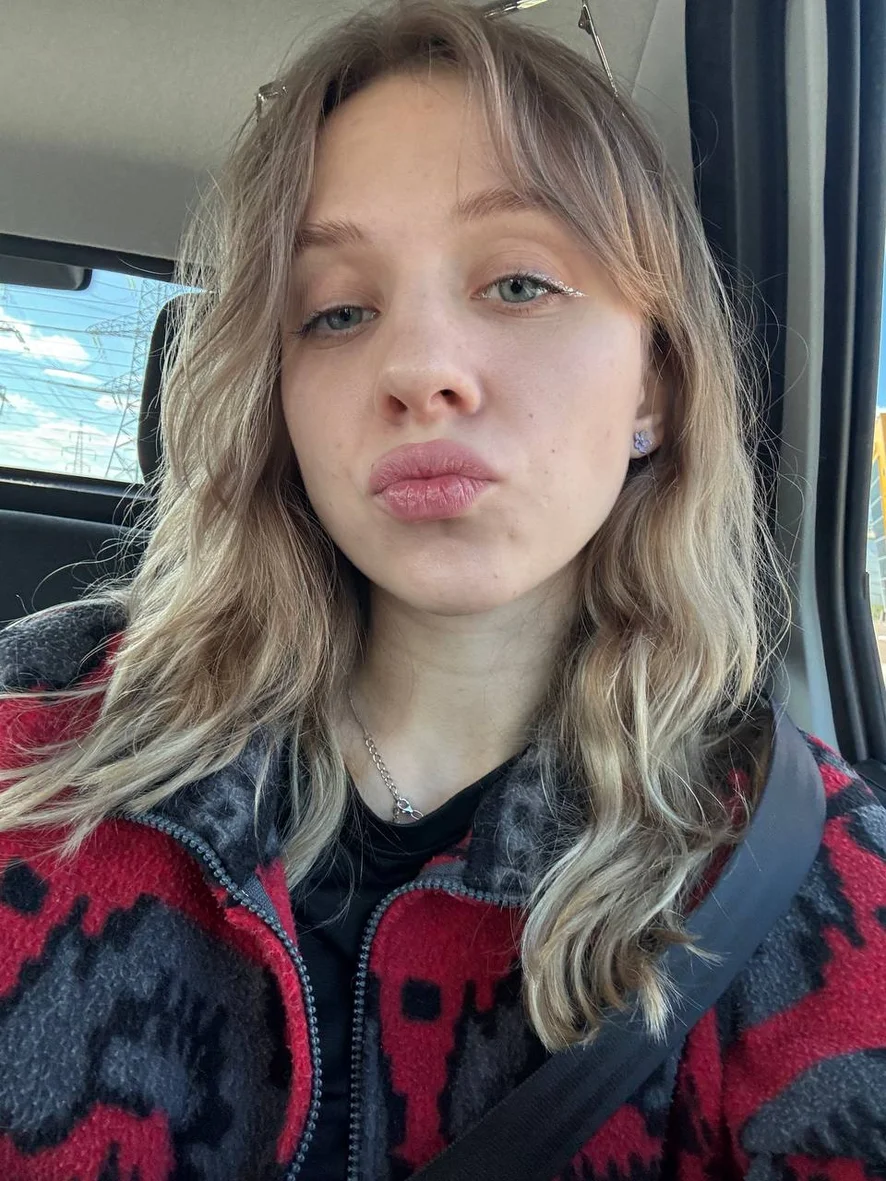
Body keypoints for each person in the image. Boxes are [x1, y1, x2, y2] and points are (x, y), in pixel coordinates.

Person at [1, 1, 885, 1177]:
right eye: (336, 311)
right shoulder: (42, 731)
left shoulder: (795, 860)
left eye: (517, 283)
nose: (418, 369)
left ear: (654, 387)